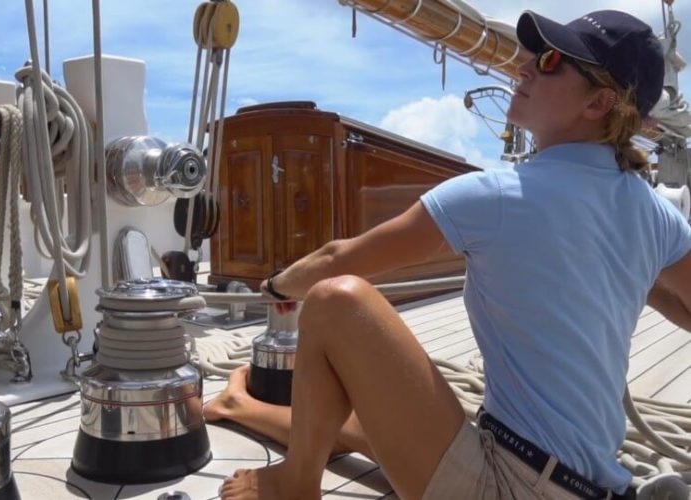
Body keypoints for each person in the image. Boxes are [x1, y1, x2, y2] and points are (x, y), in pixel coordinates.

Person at [207, 8, 691, 500]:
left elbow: (337, 260)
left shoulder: (498, 195)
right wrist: (633, 274)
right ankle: (238, 407)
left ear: (599, 102)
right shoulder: (656, 214)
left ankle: (294, 482)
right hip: (587, 484)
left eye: (549, 61)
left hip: (512, 485)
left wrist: (278, 286)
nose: (523, 67)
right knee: (389, 415)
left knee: (336, 301)